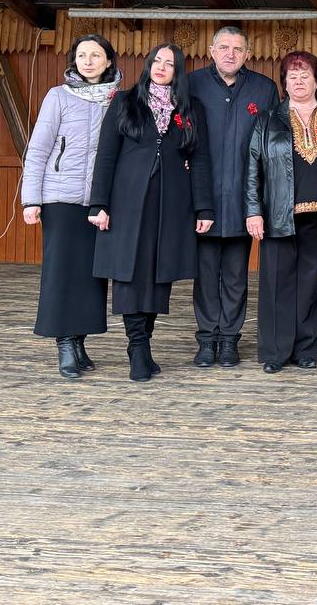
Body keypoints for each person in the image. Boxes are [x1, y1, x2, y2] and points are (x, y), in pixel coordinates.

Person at [89, 44, 214, 382]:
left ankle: (144, 343)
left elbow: (200, 160)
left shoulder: (190, 108)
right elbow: (105, 156)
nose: (161, 67)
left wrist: (204, 207)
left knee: (159, 275)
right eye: (157, 61)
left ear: (178, 71)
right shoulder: (124, 102)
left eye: (169, 63)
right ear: (148, 65)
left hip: (171, 204)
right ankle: (138, 347)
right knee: (129, 273)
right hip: (127, 202)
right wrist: (99, 204)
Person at [21, 34, 122, 379]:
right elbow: (38, 149)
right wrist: (31, 199)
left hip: (98, 201)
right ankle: (64, 342)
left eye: (95, 55)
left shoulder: (117, 100)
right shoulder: (58, 96)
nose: (88, 61)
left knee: (91, 275)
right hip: (60, 198)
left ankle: (80, 341)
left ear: (109, 61)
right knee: (61, 272)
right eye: (82, 55)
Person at [245, 51, 317, 374]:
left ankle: (307, 349)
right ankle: (275, 352)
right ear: (284, 83)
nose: (299, 81)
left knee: (311, 284)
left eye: (305, 76)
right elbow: (252, 168)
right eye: (292, 76)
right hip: (277, 215)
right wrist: (253, 212)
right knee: (276, 283)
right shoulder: (267, 119)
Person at [187, 26, 278, 369]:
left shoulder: (264, 89)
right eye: (223, 47)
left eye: (238, 49)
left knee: (237, 275)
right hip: (204, 199)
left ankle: (229, 340)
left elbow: (273, 147)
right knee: (205, 274)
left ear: (247, 54)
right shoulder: (191, 84)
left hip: (244, 200)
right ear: (211, 51)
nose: (230, 54)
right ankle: (206, 339)